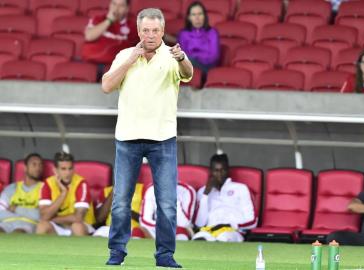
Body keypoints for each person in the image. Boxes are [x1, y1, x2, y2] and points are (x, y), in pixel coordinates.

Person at [101, 7, 193, 268]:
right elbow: (107, 86)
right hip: (128, 138)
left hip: (162, 138)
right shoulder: (123, 55)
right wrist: (131, 59)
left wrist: (183, 56)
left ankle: (165, 256)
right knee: (120, 201)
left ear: (162, 31)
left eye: (155, 30)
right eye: (145, 30)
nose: (150, 35)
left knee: (167, 203)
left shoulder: (173, 55)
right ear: (139, 31)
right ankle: (116, 253)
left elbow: (188, 74)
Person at [193, 154, 257, 242]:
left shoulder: (241, 188)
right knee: (197, 239)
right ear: (211, 171)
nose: (219, 174)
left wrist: (230, 224)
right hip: (209, 230)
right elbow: (199, 224)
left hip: (232, 230)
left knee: (222, 238)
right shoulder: (202, 191)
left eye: (222, 170)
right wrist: (205, 195)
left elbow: (253, 222)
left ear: (227, 170)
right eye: (216, 170)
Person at [36, 152, 96, 236]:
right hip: (58, 226)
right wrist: (63, 193)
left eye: (70, 168)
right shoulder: (47, 183)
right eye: (63, 169)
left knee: (77, 227)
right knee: (42, 226)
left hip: (82, 225)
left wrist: (53, 219)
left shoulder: (81, 183)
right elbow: (44, 216)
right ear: (55, 170)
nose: (67, 173)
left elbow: (78, 218)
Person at [82, 0, 137, 75]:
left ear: (127, 9)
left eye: (121, 5)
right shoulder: (98, 19)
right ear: (110, 5)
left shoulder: (132, 27)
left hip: (115, 68)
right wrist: (109, 20)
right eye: (114, 4)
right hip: (91, 63)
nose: (116, 8)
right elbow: (89, 36)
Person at [0, 153, 44, 234]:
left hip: (28, 223)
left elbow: (41, 216)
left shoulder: (44, 189)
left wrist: (16, 209)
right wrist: (30, 211)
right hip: (6, 222)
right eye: (34, 164)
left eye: (40, 165)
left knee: (18, 232)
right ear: (25, 168)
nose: (38, 168)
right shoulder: (12, 188)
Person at [178, 1, 220, 75]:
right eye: (193, 14)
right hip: (188, 65)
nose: (197, 18)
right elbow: (183, 55)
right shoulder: (183, 34)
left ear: (204, 16)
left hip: (208, 66)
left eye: (200, 14)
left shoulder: (212, 32)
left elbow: (214, 57)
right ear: (189, 17)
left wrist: (195, 57)